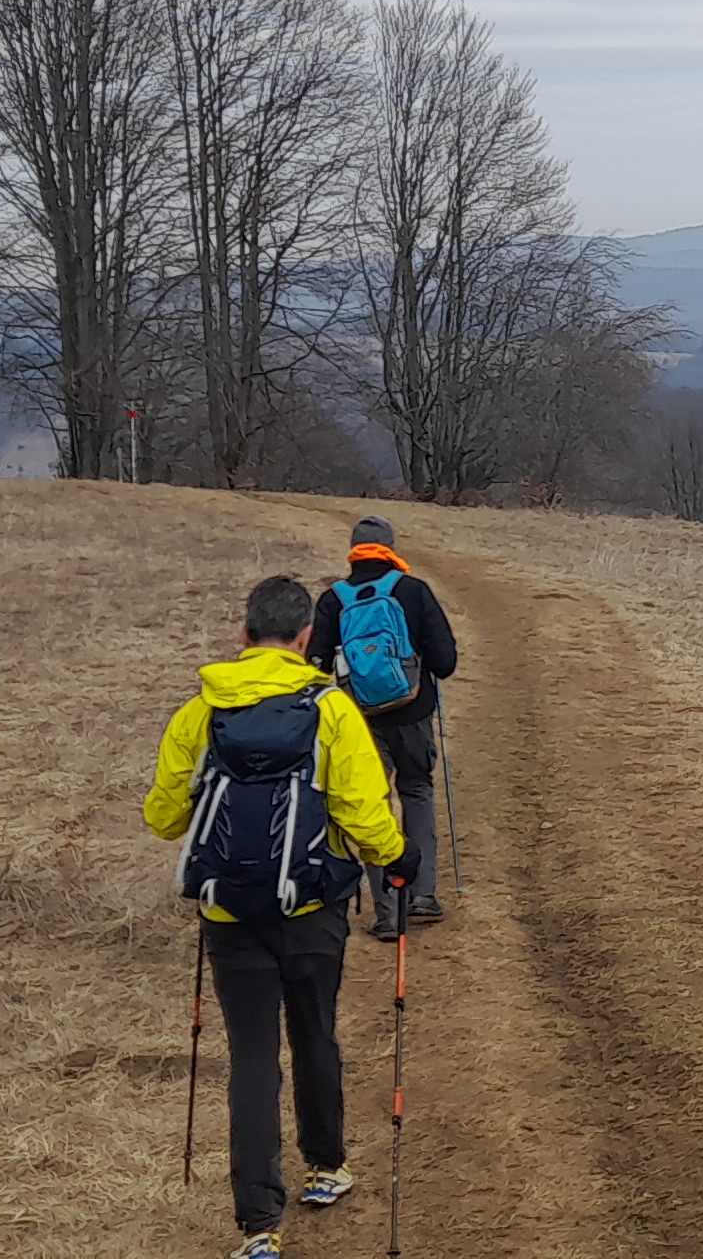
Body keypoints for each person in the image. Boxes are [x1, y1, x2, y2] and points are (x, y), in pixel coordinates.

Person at [147, 575, 412, 1259]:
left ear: (244, 635)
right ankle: (326, 1166)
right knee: (315, 1031)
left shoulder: (200, 712)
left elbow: (164, 817)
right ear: (305, 638)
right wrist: (396, 856)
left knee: (252, 1055)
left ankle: (259, 1224)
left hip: (229, 913)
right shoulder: (332, 710)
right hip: (313, 907)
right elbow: (362, 813)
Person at [305, 513, 461, 938]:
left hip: (359, 720)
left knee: (372, 805)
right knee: (417, 791)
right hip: (412, 713)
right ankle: (423, 895)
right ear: (390, 549)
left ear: (354, 552)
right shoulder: (413, 590)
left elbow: (315, 669)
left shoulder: (333, 600)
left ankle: (387, 913)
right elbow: (445, 662)